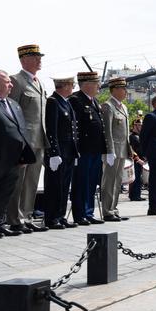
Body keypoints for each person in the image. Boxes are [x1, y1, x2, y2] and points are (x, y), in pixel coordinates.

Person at [0, 69, 35, 238]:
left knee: (5, 192)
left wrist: (24, 154)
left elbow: (20, 129)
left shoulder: (12, 103)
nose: (11, 85)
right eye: (7, 82)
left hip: (13, 158)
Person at [7, 44, 49, 233]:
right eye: (35, 57)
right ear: (24, 60)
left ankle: (27, 215)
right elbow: (12, 111)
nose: (39, 60)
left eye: (39, 56)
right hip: (24, 140)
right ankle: (15, 218)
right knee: (19, 181)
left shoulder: (39, 82)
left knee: (32, 181)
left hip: (39, 139)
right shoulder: (16, 81)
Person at [69, 72, 106, 225]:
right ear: (86, 84)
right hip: (83, 149)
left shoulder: (94, 101)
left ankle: (89, 212)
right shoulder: (75, 100)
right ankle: (80, 214)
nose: (99, 86)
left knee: (91, 182)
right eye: (96, 83)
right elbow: (74, 127)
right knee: (81, 182)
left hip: (95, 149)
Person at [43, 76, 80, 228]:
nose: (73, 88)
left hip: (68, 151)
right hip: (59, 151)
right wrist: (53, 152)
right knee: (55, 186)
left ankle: (61, 215)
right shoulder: (53, 101)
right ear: (64, 85)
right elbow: (52, 129)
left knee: (65, 186)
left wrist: (75, 152)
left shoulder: (66, 102)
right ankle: (52, 218)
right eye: (72, 85)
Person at [100, 77, 131, 221]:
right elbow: (108, 131)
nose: (125, 91)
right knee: (109, 181)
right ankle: (107, 210)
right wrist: (109, 151)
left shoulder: (123, 107)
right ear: (114, 90)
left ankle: (114, 208)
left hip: (123, 149)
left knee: (118, 181)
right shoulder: (108, 106)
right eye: (122, 88)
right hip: (113, 151)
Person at [128, 115, 145, 201]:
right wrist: (137, 159)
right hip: (135, 160)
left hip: (141, 160)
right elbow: (131, 149)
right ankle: (134, 195)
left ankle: (137, 194)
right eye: (139, 125)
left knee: (139, 178)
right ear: (134, 126)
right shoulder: (131, 136)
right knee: (135, 178)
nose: (141, 127)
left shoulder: (140, 136)